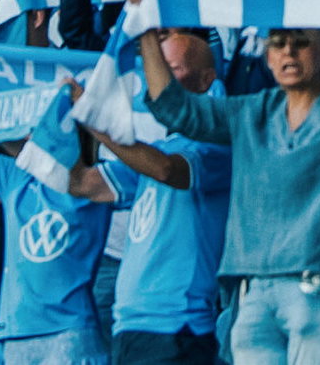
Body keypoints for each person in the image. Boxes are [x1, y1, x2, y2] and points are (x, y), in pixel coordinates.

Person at [139, 18, 320, 365]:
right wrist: (148, 34)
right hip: (253, 291)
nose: (289, 52)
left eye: (301, 42)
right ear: (267, 58)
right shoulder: (251, 111)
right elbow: (177, 109)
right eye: (278, 44)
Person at [79, 28, 231, 365]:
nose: (159, 78)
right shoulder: (159, 149)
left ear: (206, 79)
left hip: (178, 325)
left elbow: (165, 170)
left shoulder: (218, 143)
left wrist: (94, 121)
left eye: (172, 68)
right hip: (129, 323)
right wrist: (15, 140)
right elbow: (85, 184)